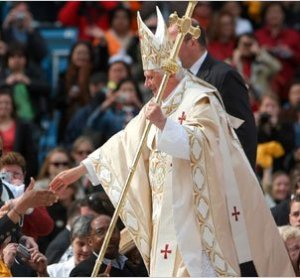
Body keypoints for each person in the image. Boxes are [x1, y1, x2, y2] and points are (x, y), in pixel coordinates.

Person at [50, 7, 295, 277]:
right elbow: (124, 142)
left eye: (151, 75)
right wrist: (79, 170)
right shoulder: (158, 104)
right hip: (164, 208)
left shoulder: (201, 98)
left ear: (168, 72)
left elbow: (204, 144)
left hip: (195, 212)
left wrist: (165, 125)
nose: (146, 82)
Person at [168, 19, 257, 170]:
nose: (169, 51)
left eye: (173, 44)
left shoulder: (224, 76)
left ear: (193, 43)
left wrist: (239, 176)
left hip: (222, 172)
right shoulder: (179, 79)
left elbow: (243, 130)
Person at [69, 214, 135, 277]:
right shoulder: (82, 272)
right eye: (100, 232)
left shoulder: (129, 263)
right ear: (90, 241)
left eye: (112, 230)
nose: (108, 236)